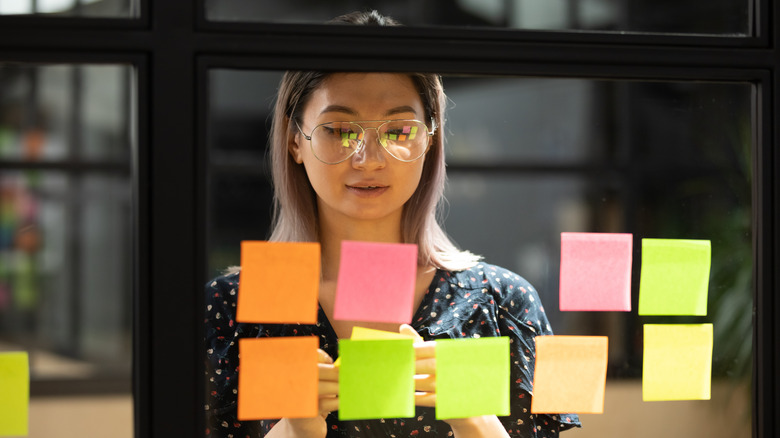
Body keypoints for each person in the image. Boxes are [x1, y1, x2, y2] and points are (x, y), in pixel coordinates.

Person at [205, 10, 582, 437]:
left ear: (431, 138)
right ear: (296, 140)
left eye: (399, 130)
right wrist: (296, 428)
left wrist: (474, 419)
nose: (369, 158)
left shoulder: (504, 302)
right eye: (340, 130)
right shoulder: (230, 309)